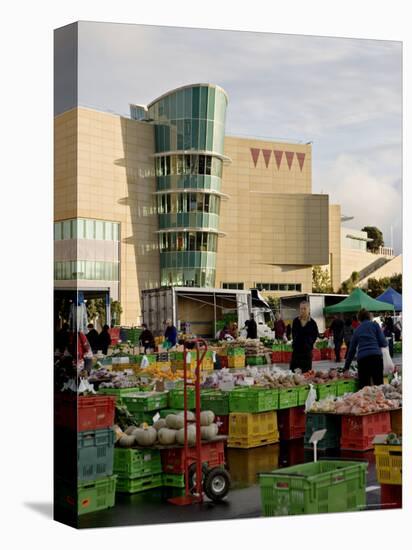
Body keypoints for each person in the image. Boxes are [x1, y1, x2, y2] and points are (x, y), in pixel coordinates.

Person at [344, 308, 387, 388]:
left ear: (359, 319)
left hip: (363, 360)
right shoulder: (375, 325)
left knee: (365, 389)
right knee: (379, 386)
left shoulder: (357, 330)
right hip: (376, 359)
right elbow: (383, 343)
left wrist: (346, 367)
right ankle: (380, 400)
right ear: (369, 316)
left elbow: (351, 350)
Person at [290, 301, 319, 373]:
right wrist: (295, 342)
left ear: (309, 309)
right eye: (301, 309)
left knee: (306, 373)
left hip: (306, 352)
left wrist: (308, 343)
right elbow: (293, 334)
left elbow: (315, 335)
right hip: (296, 352)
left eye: (304, 309)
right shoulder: (295, 321)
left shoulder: (312, 323)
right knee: (293, 373)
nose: (302, 311)